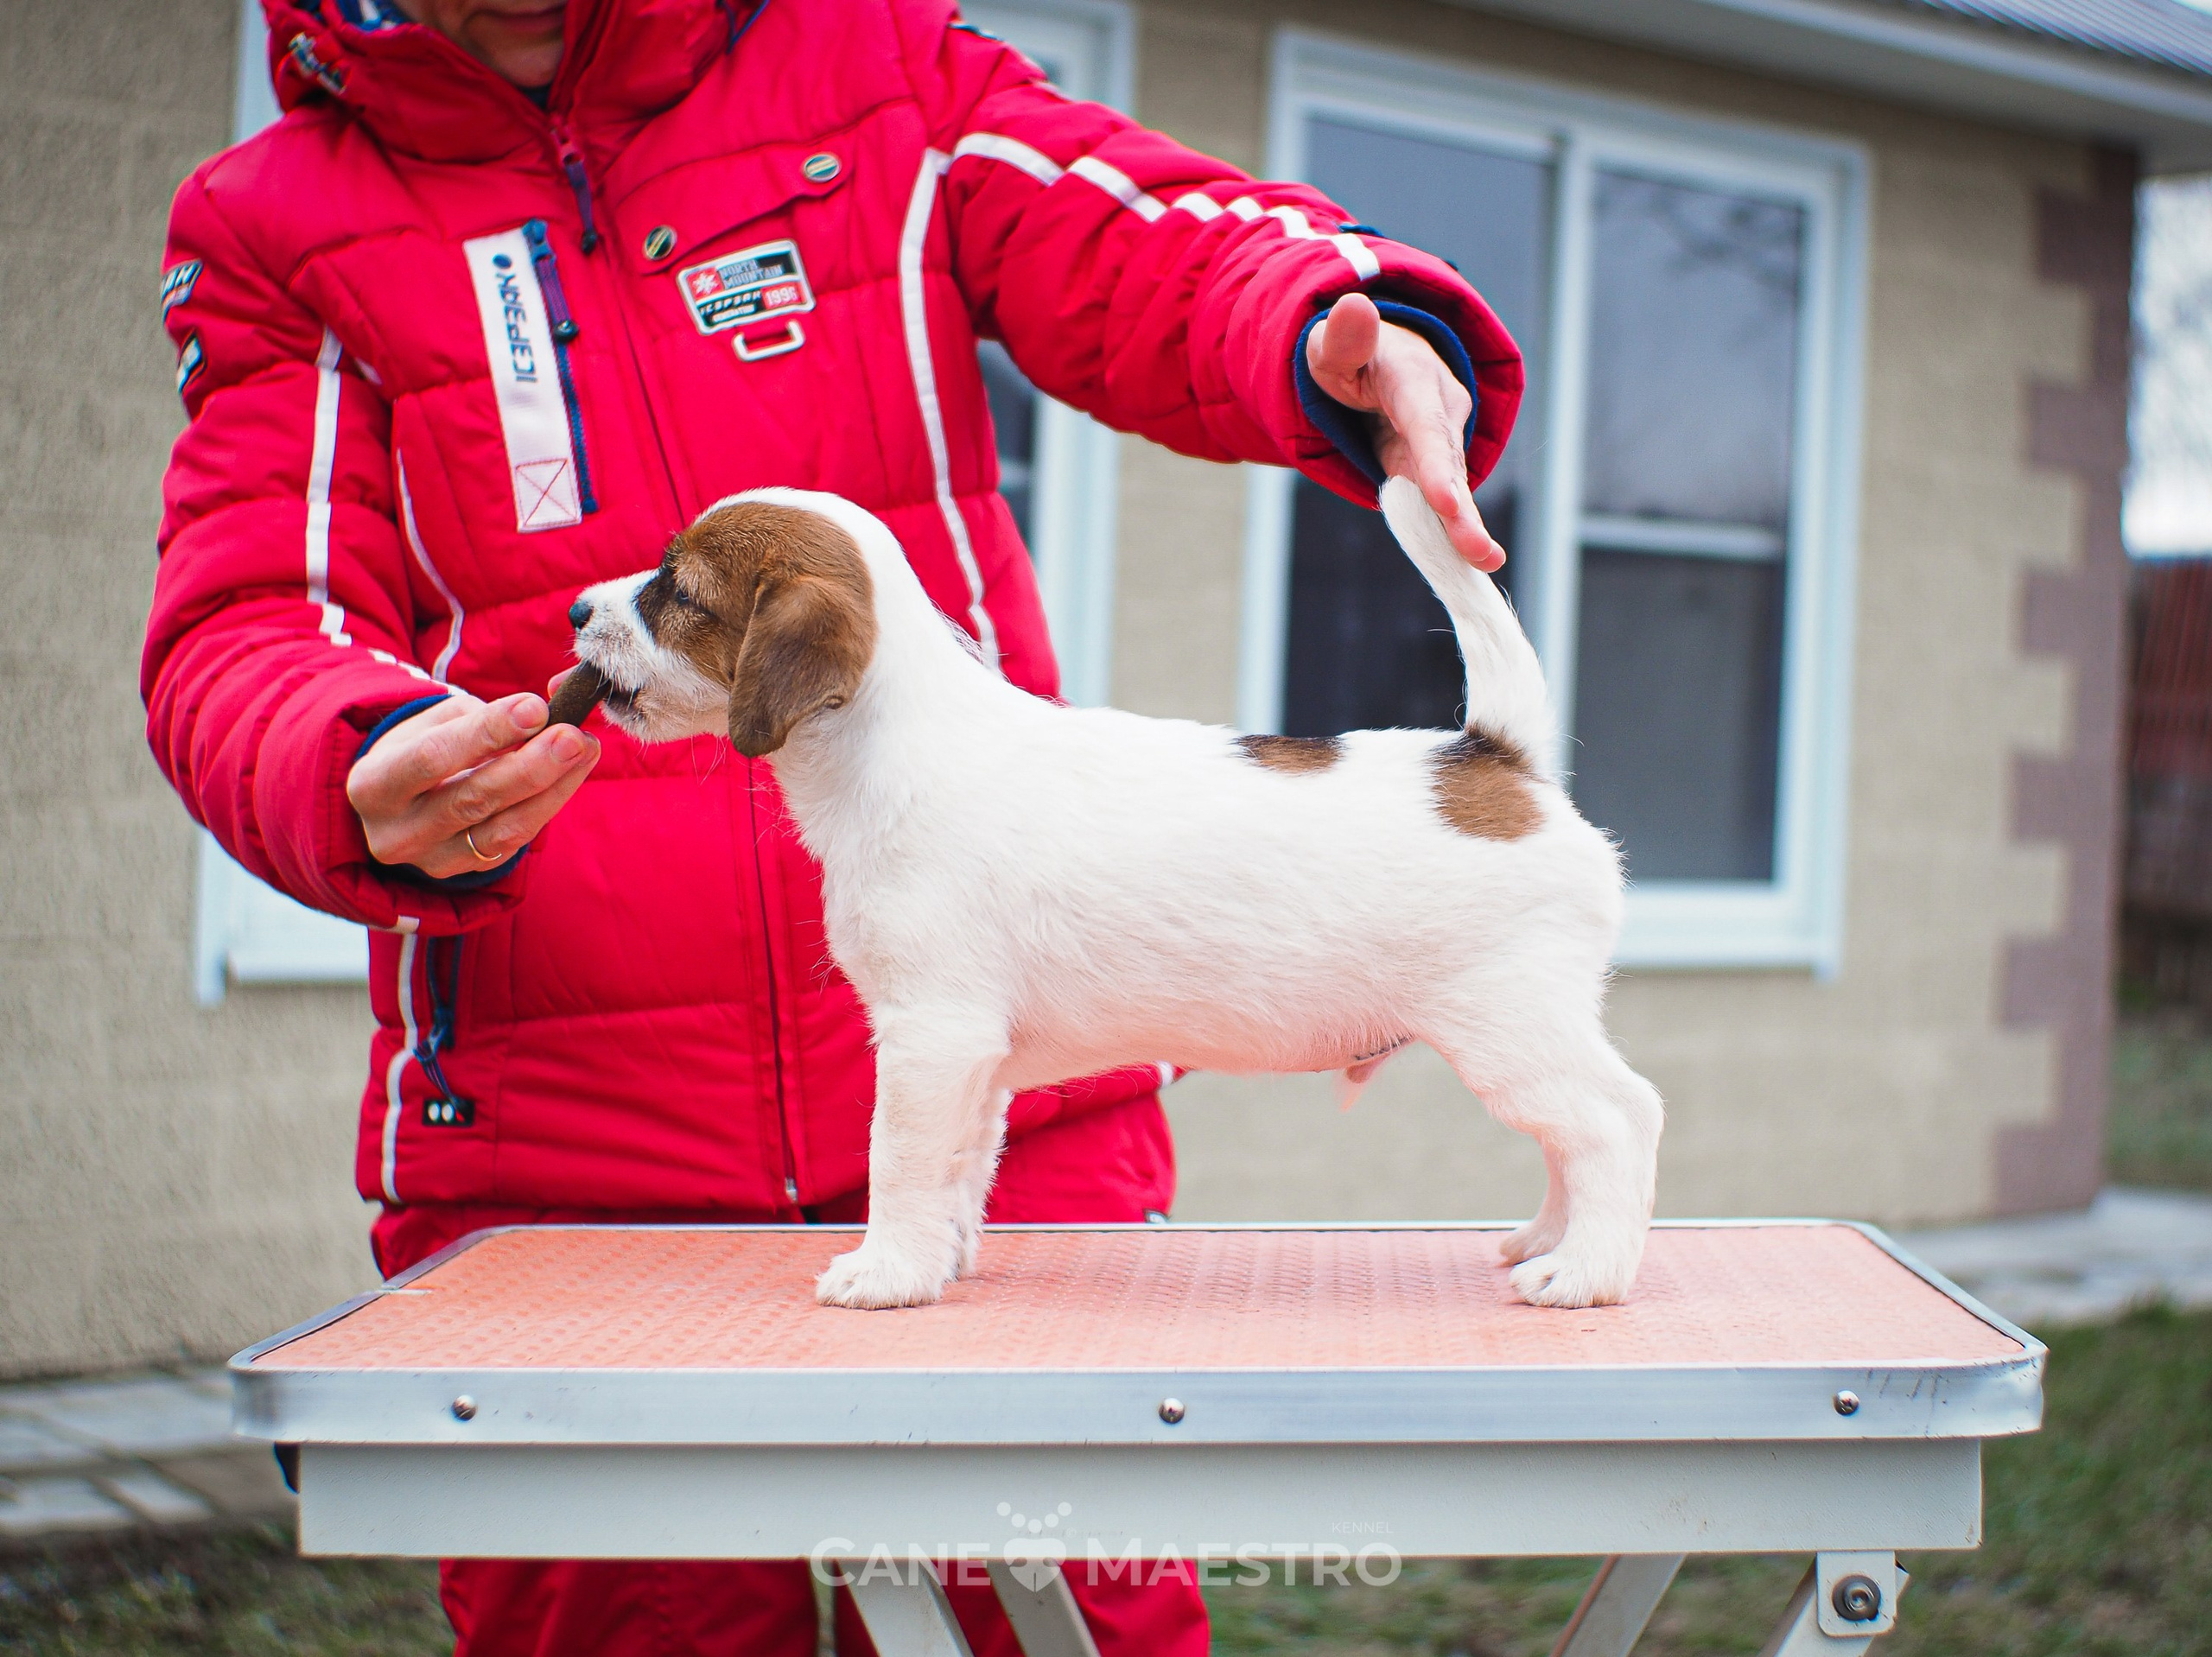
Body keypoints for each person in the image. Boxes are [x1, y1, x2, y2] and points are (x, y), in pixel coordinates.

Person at [146, 0, 1522, 1650]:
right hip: (570, 1155)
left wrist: (1326, 314)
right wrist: (348, 751)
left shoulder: (873, 63)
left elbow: (1152, 241)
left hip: (1017, 1108)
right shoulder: (266, 225)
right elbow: (244, 622)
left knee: (1059, 1618)